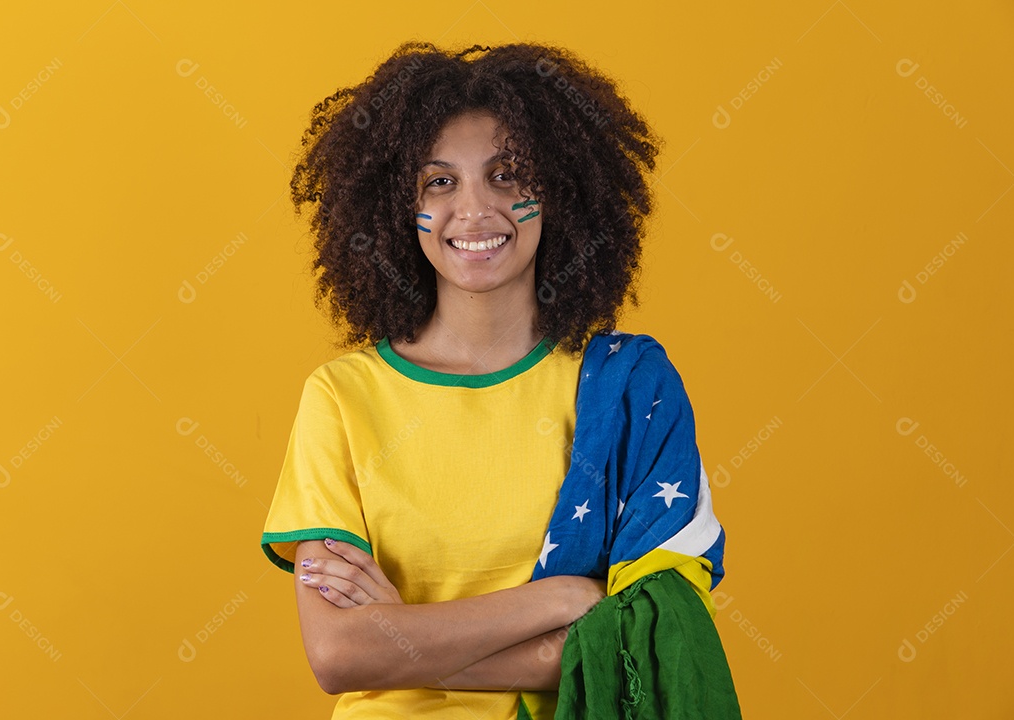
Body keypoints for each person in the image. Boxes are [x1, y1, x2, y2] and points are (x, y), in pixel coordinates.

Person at [261, 40, 736, 719]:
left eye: (508, 175)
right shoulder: (341, 397)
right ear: (399, 207)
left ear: (561, 190)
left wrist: (403, 639)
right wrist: (566, 600)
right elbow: (339, 655)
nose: (475, 210)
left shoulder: (626, 389)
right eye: (440, 182)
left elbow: (642, 643)